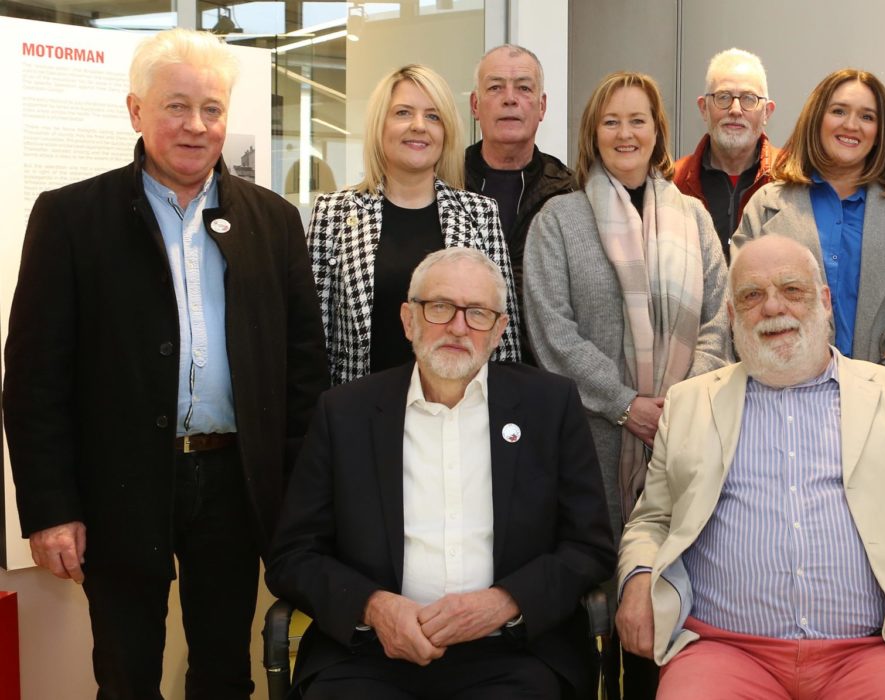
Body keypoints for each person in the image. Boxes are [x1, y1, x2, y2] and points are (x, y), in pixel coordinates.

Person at [3, 28, 327, 698]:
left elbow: (303, 374)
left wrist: (299, 495)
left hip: (234, 486)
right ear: (136, 112)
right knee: (126, 674)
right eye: (176, 106)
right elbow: (34, 381)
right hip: (119, 484)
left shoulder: (273, 221)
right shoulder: (71, 218)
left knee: (223, 672)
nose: (195, 125)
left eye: (211, 109)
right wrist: (49, 509)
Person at [616, 235, 885, 699]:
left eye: (792, 290)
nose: (773, 308)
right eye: (751, 296)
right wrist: (640, 575)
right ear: (731, 315)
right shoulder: (690, 404)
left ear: (824, 302)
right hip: (724, 653)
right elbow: (653, 520)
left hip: (876, 649)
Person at [266, 247, 615, 699]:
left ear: (498, 332)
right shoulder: (346, 413)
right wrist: (373, 607)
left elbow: (589, 547)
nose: (458, 326)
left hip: (511, 655)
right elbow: (293, 556)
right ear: (409, 319)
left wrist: (505, 602)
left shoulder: (549, 406)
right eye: (440, 307)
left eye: (477, 314)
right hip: (369, 656)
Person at [525, 71, 730, 531]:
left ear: (656, 130)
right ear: (592, 134)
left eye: (637, 120)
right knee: (600, 575)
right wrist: (624, 404)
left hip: (689, 433)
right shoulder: (557, 221)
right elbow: (551, 332)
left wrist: (680, 404)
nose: (625, 134)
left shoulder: (694, 217)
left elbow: (720, 318)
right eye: (611, 122)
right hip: (592, 436)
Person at [732, 68, 885, 379]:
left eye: (867, 117)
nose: (851, 125)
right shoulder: (766, 206)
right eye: (838, 111)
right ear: (817, 119)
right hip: (786, 392)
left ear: (880, 131)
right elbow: (741, 300)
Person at [307, 64, 522, 386]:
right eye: (404, 113)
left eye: (433, 116)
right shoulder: (333, 214)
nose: (419, 126)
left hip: (460, 414)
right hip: (361, 415)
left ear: (446, 131)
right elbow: (313, 338)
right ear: (380, 126)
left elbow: (503, 341)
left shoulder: (481, 214)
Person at [465, 44, 574, 318]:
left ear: (542, 106)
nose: (509, 99)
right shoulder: (444, 182)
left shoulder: (569, 192)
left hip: (540, 358)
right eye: (495, 88)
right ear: (475, 105)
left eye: (524, 88)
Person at [673, 48, 780, 255]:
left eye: (749, 98)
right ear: (704, 108)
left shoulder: (791, 180)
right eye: (723, 97)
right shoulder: (673, 182)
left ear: (767, 112)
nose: (735, 110)